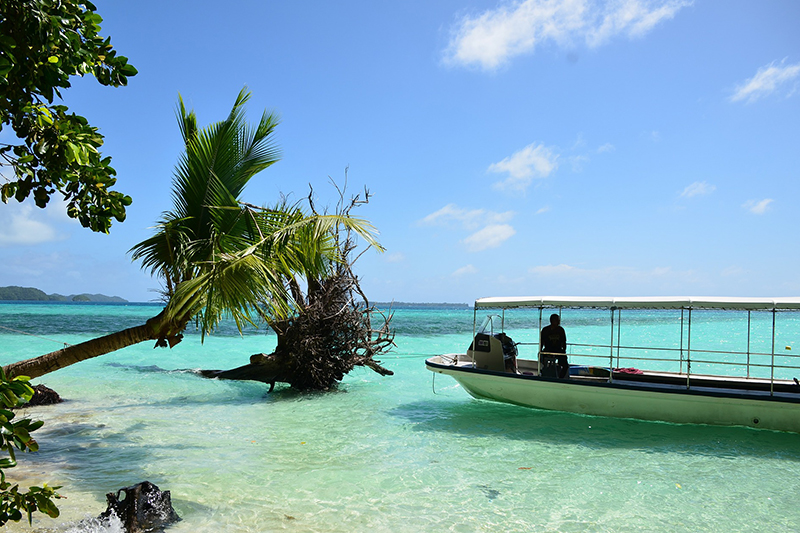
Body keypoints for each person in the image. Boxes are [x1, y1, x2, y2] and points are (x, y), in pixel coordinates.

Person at [540, 313, 568, 378]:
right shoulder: (545, 330)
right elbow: (542, 342)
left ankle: (560, 378)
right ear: (552, 321)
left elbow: (564, 342)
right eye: (557, 320)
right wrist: (541, 352)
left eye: (559, 320)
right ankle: (544, 372)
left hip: (558, 350)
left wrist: (564, 352)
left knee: (565, 365)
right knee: (541, 358)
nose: (559, 322)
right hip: (548, 350)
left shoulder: (561, 330)